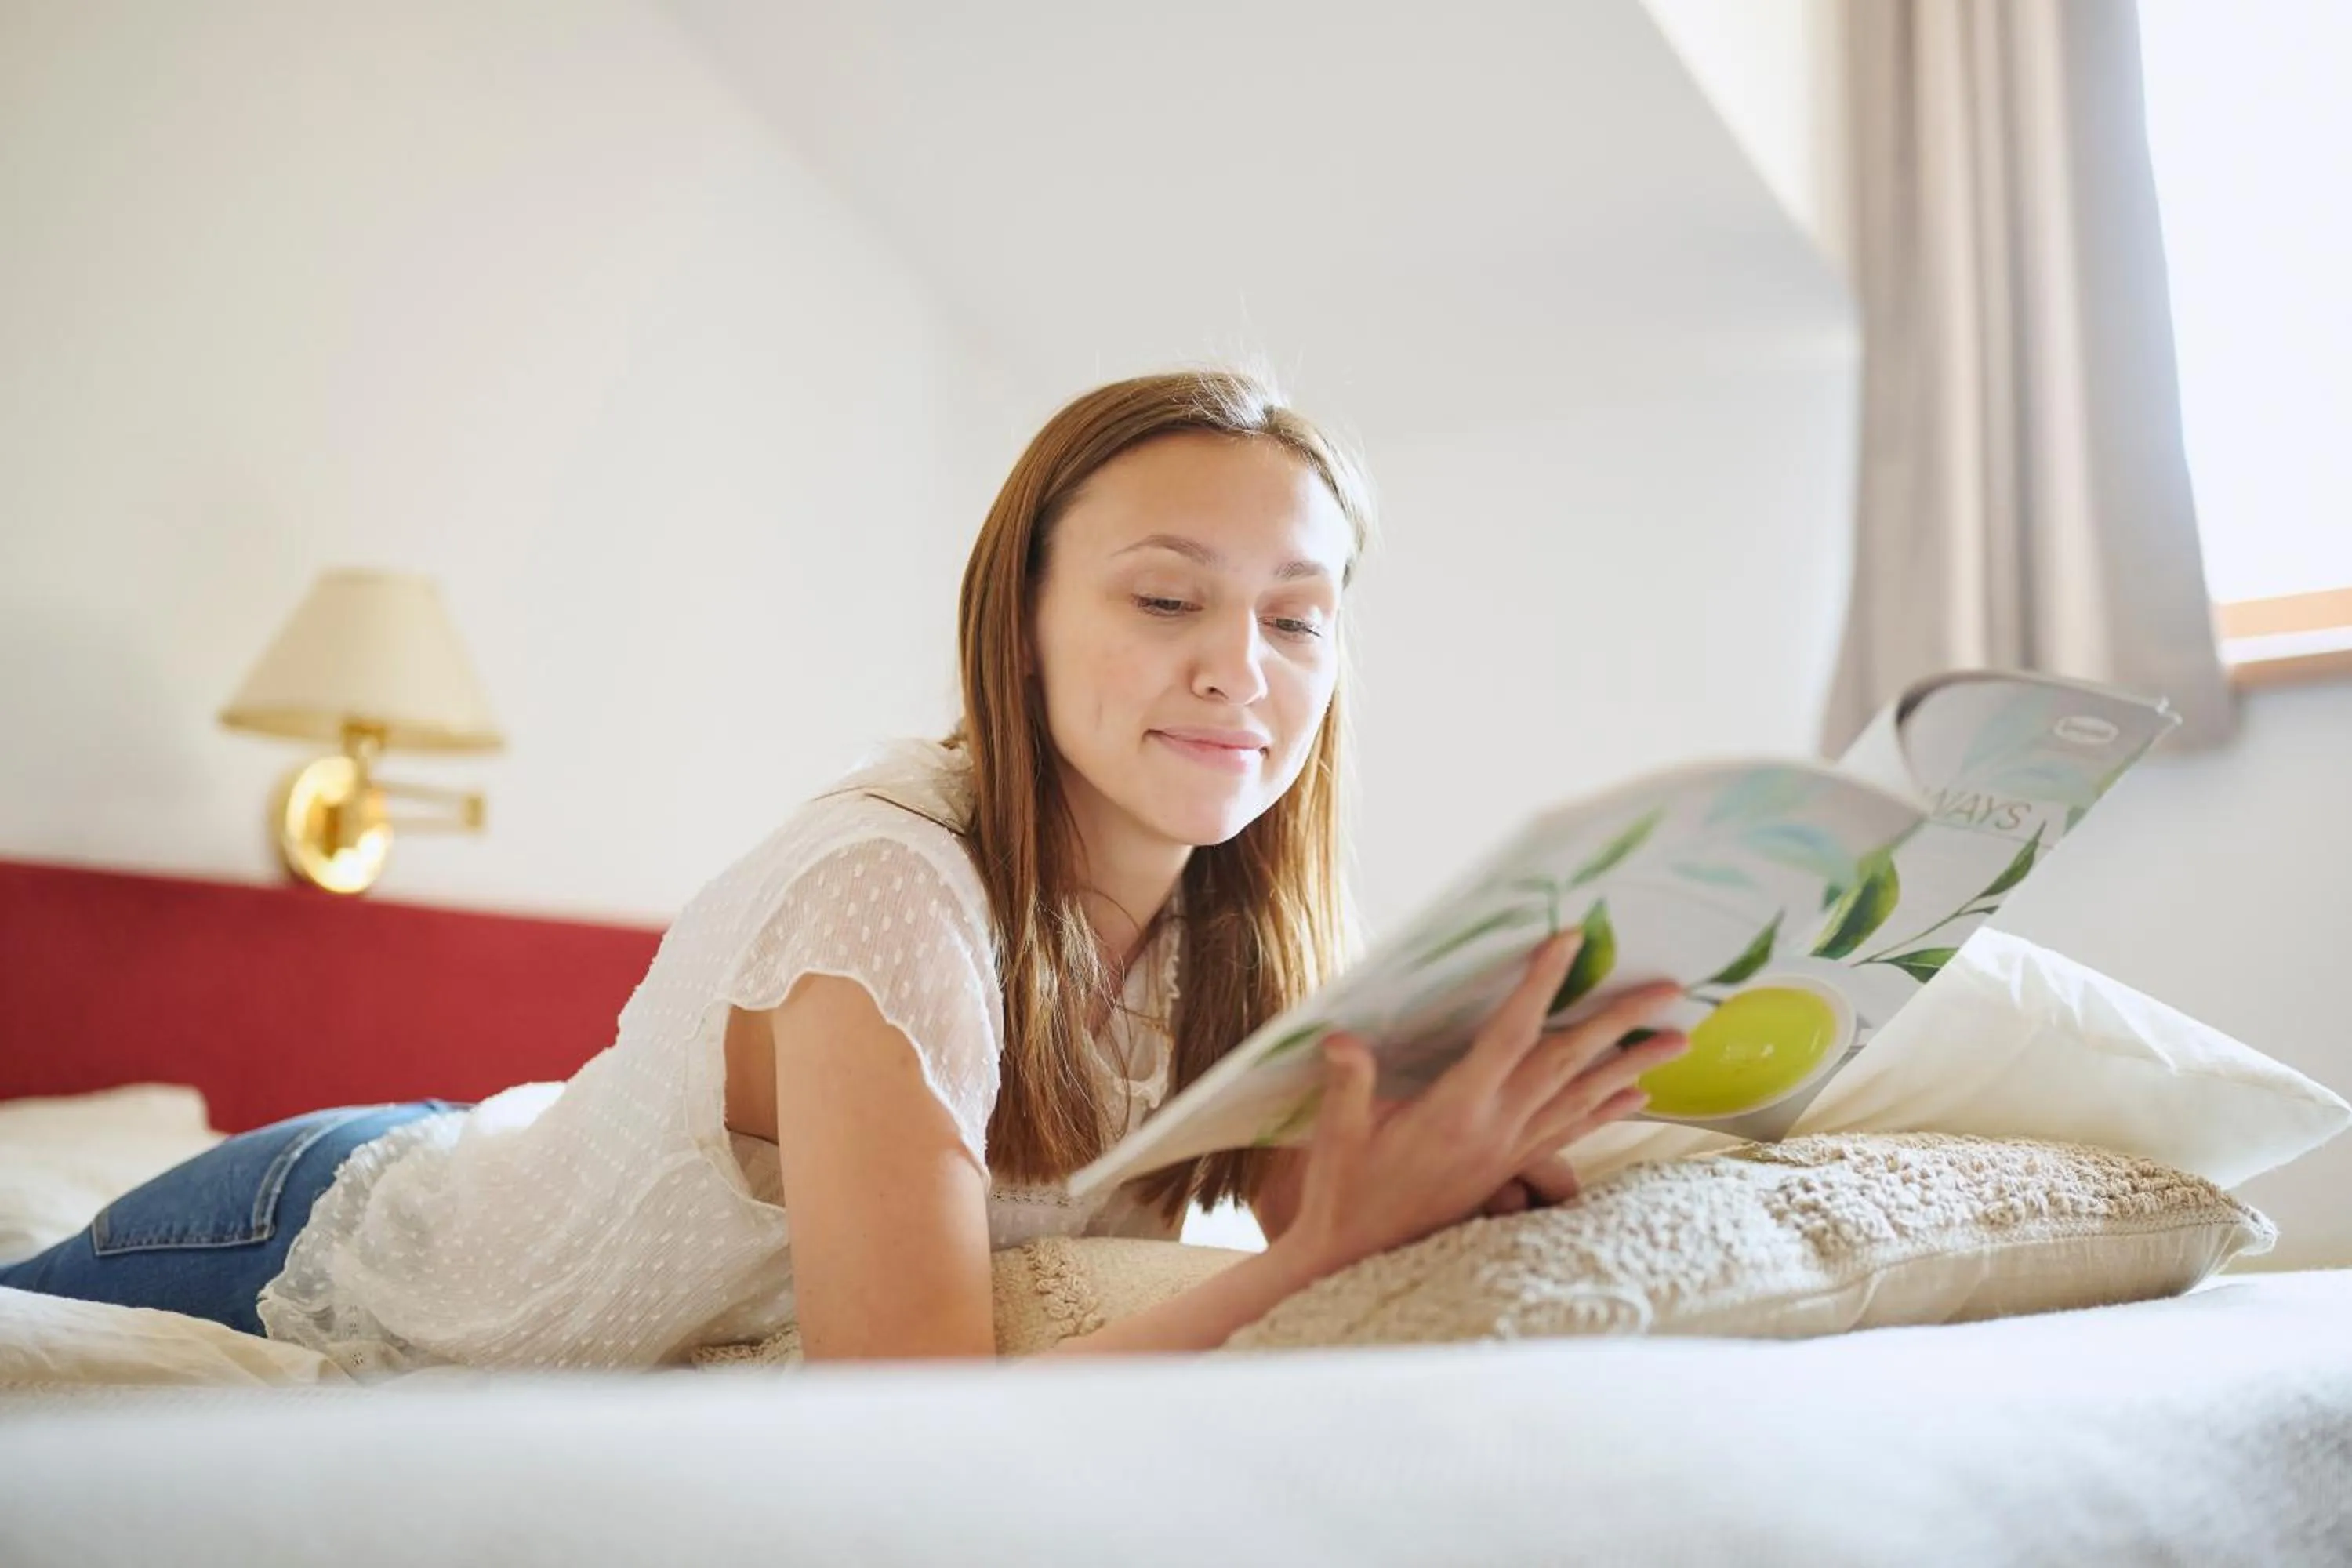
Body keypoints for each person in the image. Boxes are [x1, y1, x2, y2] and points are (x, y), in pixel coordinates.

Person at [0, 369, 1688, 1372]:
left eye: (1298, 618)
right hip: (317, 1220)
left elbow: (1364, 1224)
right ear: (1019, 628)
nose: (1240, 665)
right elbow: (912, 1412)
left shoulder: (1250, 930)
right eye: (1166, 598)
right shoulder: (889, 892)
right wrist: (1322, 1248)